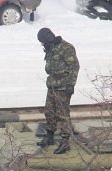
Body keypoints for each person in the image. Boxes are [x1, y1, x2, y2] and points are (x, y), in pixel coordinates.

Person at [36, 27, 80, 155]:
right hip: (52, 85)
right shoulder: (51, 48)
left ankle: (65, 141)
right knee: (49, 111)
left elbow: (74, 66)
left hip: (63, 86)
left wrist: (71, 84)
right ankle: (49, 136)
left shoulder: (66, 48)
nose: (43, 44)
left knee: (62, 115)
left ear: (48, 38)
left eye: (43, 41)